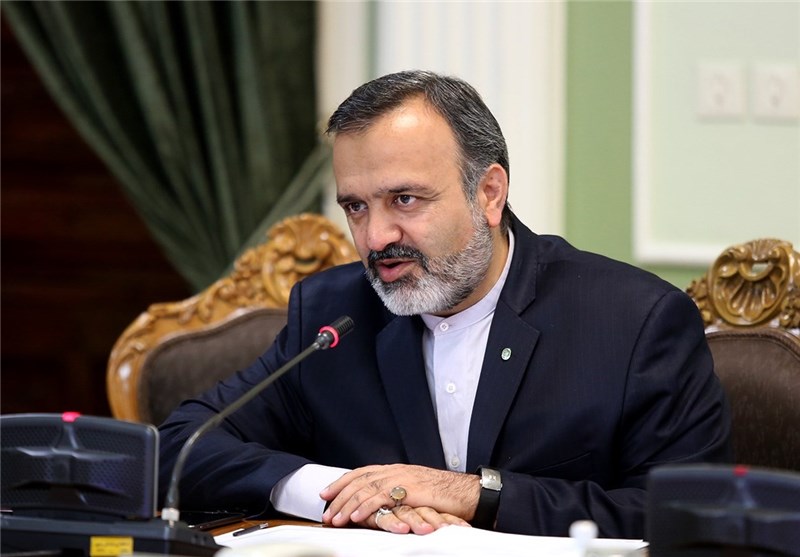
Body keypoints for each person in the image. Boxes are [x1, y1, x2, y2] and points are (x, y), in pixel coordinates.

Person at [158, 70, 731, 539]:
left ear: (489, 193)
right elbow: (181, 447)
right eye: (356, 207)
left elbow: (693, 517)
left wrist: (477, 495)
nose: (376, 237)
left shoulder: (632, 321)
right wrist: (336, 493)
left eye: (405, 199)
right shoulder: (334, 313)